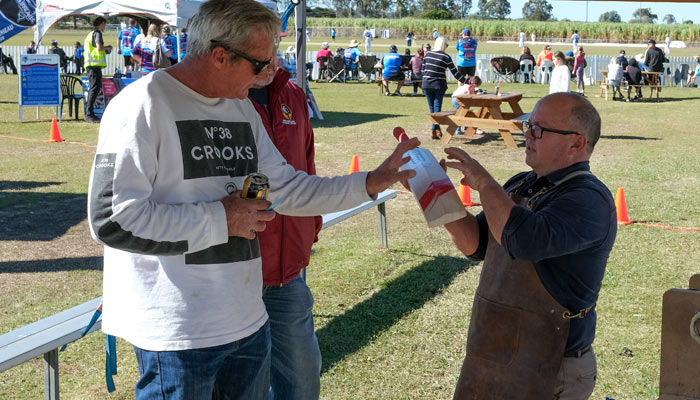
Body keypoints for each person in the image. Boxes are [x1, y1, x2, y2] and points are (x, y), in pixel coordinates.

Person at [86, 1, 419, 399]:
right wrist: (220, 219)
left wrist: (370, 181)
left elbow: (288, 189)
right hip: (177, 333)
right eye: (260, 63)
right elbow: (111, 219)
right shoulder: (143, 104)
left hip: (247, 323)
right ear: (219, 56)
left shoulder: (240, 108)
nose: (271, 71)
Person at [443, 92, 616, 400]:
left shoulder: (588, 199)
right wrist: (434, 193)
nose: (527, 135)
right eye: (528, 125)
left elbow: (522, 241)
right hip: (496, 354)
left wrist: (485, 183)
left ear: (577, 143)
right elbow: (478, 243)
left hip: (549, 367)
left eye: (539, 129)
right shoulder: (523, 183)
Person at [248, 39, 321, 400]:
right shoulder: (221, 98)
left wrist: (312, 225)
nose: (268, 60)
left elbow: (306, 162)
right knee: (248, 383)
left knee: (304, 382)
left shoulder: (292, 92)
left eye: (272, 46)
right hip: (237, 275)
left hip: (289, 272)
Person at [421, 36, 468, 140]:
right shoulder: (445, 57)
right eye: (446, 45)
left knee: (432, 108)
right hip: (438, 84)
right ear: (444, 45)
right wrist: (467, 82)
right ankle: (435, 129)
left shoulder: (427, 55)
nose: (447, 47)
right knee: (437, 107)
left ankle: (435, 130)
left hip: (426, 84)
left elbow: (422, 70)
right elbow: (455, 73)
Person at [84, 16, 113, 123]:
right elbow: (99, 47)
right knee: (94, 89)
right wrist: (108, 47)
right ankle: (89, 114)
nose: (105, 26)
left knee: (94, 89)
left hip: (91, 65)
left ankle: (90, 113)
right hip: (93, 65)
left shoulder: (90, 34)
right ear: (100, 23)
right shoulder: (97, 33)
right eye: (104, 24)